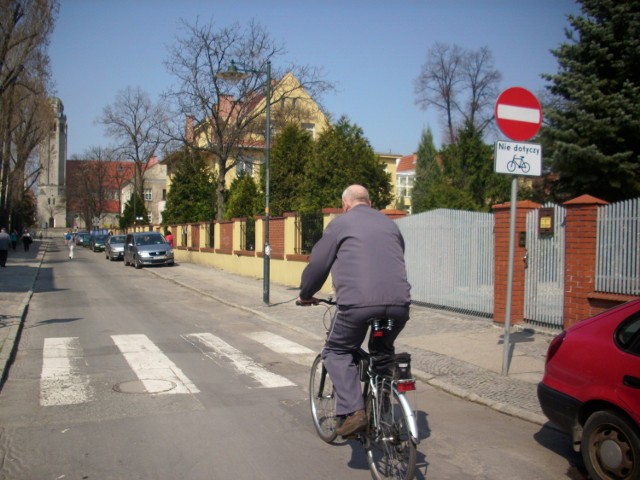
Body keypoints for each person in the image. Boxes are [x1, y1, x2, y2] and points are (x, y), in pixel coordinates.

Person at [298, 185, 411, 437]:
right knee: (382, 353)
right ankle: (380, 414)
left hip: (358, 306)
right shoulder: (390, 225)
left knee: (336, 351)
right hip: (399, 305)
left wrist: (306, 293)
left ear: (345, 205)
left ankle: (354, 412)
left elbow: (318, 265)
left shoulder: (341, 224)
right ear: (369, 203)